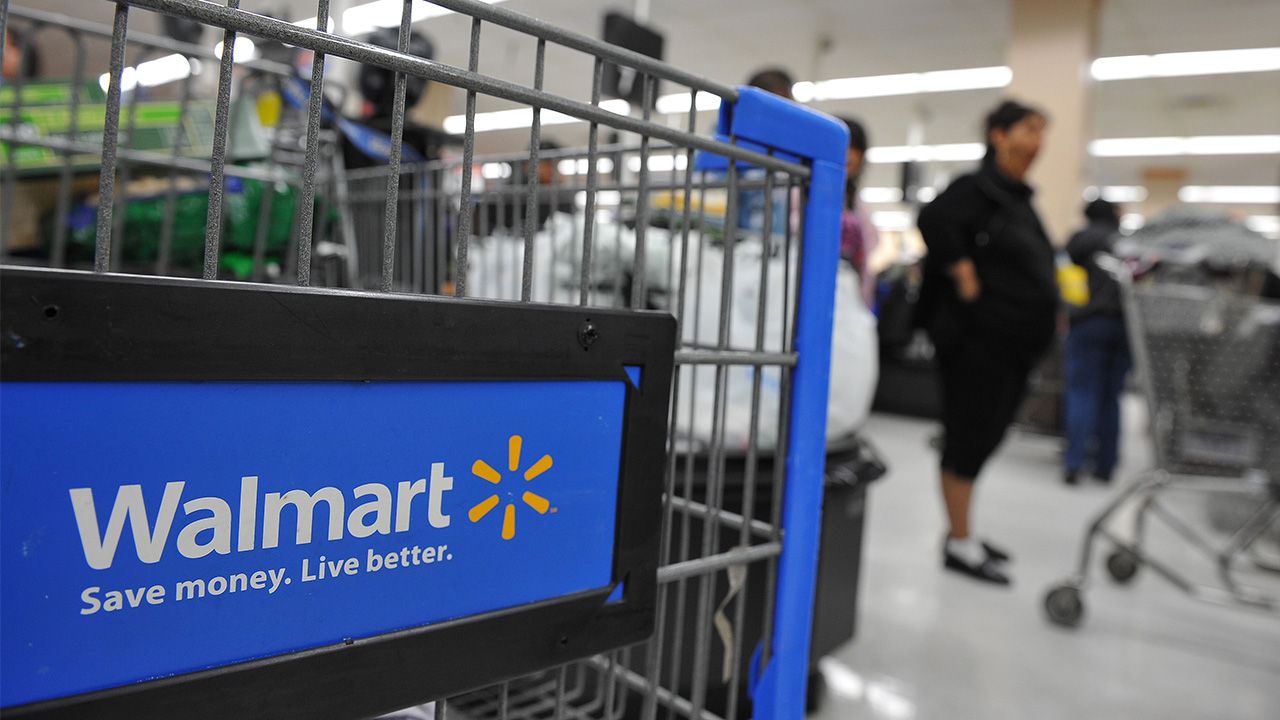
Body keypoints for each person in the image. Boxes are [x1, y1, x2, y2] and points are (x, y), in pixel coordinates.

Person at [915, 99, 1057, 585]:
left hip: (1010, 349)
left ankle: (963, 532)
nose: (1038, 142)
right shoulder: (976, 189)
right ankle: (959, 542)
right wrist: (963, 272)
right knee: (968, 438)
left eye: (1041, 132)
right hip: (977, 344)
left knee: (984, 438)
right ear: (998, 134)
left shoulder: (1016, 199)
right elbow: (933, 219)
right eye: (1029, 129)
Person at [1063, 199, 1130, 485]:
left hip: (1088, 322)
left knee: (1082, 392)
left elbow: (1063, 277)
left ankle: (1074, 463)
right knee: (1111, 396)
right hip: (1125, 326)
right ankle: (1105, 466)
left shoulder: (1079, 242)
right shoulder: (1127, 243)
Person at [837, 116, 879, 309]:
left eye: (856, 148)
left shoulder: (859, 205)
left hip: (850, 297)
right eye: (844, 146)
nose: (850, 155)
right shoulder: (802, 193)